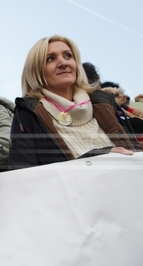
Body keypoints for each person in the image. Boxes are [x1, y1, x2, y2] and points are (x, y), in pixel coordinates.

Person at [9, 36, 137, 170]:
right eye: (50, 59)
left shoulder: (105, 102)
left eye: (68, 56)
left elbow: (134, 149)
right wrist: (99, 156)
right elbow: (25, 176)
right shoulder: (27, 114)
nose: (63, 63)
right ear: (36, 71)